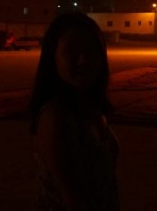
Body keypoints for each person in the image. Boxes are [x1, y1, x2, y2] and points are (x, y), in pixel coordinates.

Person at [28, 12, 120, 211]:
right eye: (71, 51)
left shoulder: (92, 108)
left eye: (91, 51)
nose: (83, 60)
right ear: (53, 56)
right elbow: (74, 199)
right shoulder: (55, 117)